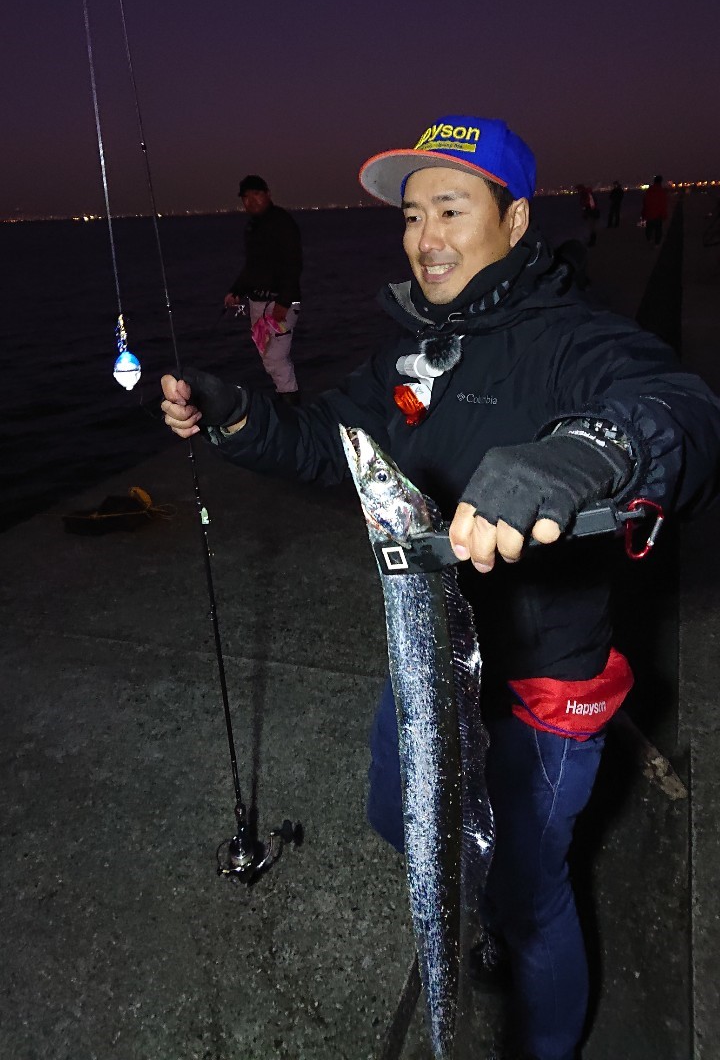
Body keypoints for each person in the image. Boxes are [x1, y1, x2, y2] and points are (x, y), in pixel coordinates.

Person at [161, 114, 720, 1060]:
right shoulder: (412, 350)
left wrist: (588, 451)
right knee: (399, 820)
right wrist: (241, 416)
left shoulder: (575, 339)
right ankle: (474, 908)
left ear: (516, 220)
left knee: (530, 896)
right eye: (413, 215)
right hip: (429, 671)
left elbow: (685, 412)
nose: (426, 237)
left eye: (452, 209)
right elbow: (332, 444)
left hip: (539, 690)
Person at [224, 174, 303, 402]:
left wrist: (284, 302)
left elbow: (294, 263)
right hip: (257, 304)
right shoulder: (252, 227)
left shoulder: (283, 223)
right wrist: (236, 291)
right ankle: (284, 398)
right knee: (267, 356)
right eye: (246, 197)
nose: (251, 201)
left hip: (280, 303)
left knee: (277, 357)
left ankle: (291, 404)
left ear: (268, 194)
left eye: (256, 194)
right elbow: (252, 267)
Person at [641, 174, 669, 247]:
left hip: (649, 213)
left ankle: (649, 240)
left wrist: (644, 213)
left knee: (649, 228)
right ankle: (656, 243)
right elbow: (663, 204)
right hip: (658, 214)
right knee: (658, 229)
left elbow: (645, 202)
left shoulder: (649, 190)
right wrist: (664, 215)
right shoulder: (661, 191)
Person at [575, 183, 599, 247]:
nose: (577, 191)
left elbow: (591, 205)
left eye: (578, 190)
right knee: (591, 227)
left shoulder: (586, 194)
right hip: (591, 213)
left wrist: (587, 212)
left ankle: (592, 242)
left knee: (592, 228)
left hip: (591, 213)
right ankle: (592, 241)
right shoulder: (585, 194)